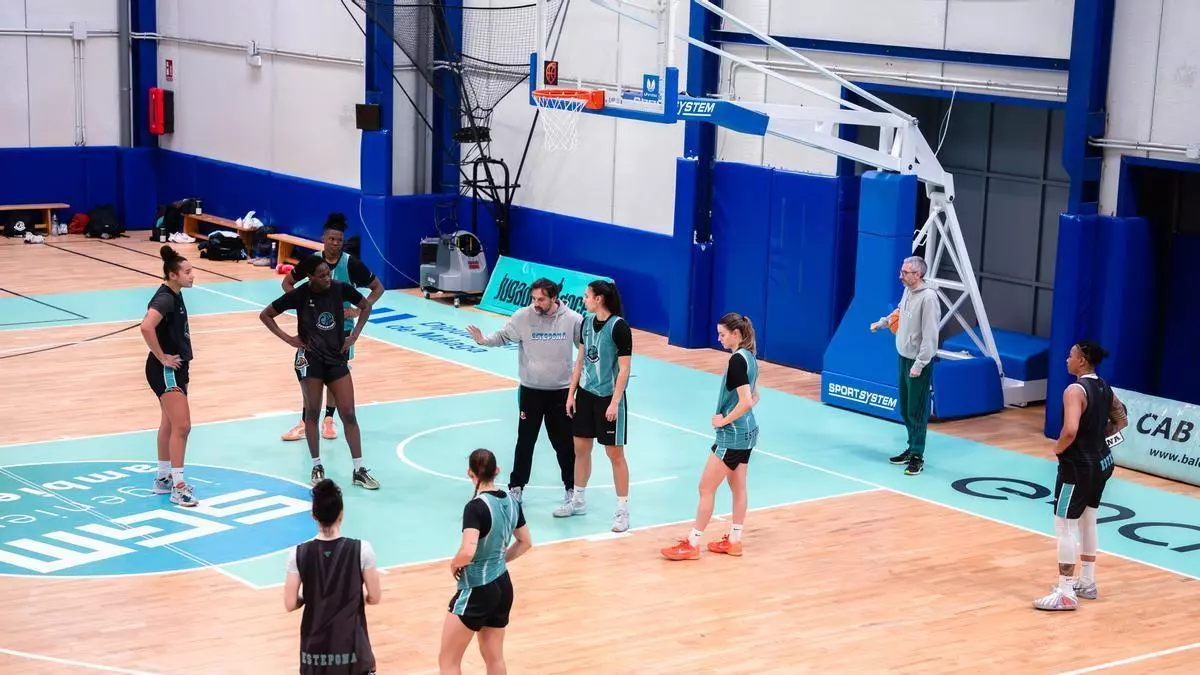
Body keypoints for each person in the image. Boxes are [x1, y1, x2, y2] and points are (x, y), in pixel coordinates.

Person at [260, 261, 380, 489]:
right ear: (310, 277)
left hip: (335, 358)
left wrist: (354, 335)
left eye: (328, 274)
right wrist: (288, 339)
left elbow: (365, 306)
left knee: (349, 413)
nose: (327, 278)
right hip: (310, 360)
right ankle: (316, 466)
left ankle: (359, 470)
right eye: (322, 275)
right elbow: (266, 315)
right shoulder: (299, 294)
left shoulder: (340, 288)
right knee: (313, 412)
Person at [466, 277, 582, 508]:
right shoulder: (522, 316)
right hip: (531, 391)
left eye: (541, 299)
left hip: (561, 393)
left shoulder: (573, 319)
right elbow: (503, 336)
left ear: (554, 298)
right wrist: (483, 340)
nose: (536, 303)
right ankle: (516, 487)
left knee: (564, 445)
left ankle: (571, 488)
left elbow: (585, 349)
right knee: (525, 442)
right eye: (533, 299)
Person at [1033, 340, 1128, 611]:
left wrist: (1057, 448)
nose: (1067, 359)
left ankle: (1065, 591)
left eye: (1071, 355)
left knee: (1064, 524)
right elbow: (1122, 419)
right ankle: (1087, 582)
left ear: (1082, 361)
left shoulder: (1074, 390)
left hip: (1077, 467)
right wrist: (1098, 437)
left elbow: (1070, 430)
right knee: (1089, 519)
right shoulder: (1104, 386)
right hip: (1102, 462)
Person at [662, 313, 761, 561]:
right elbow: (755, 396)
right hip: (748, 433)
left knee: (706, 487)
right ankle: (734, 542)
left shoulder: (736, 361)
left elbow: (747, 401)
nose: (719, 339)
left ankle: (693, 544)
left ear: (736, 334)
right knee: (738, 487)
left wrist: (723, 420)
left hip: (732, 436)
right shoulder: (750, 357)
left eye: (722, 334)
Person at [280, 213, 384, 443]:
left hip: (341, 330)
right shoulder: (312, 261)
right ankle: (305, 421)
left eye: (339, 240)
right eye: (331, 239)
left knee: (335, 374)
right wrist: (304, 304)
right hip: (314, 330)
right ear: (323, 239)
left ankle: (329, 419)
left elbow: (378, 288)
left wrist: (357, 311)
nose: (335, 243)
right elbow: (287, 283)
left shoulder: (351, 263)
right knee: (310, 374)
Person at [440, 449, 532, 675]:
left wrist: (454, 563)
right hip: (503, 585)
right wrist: (500, 559)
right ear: (497, 470)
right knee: (494, 658)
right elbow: (525, 542)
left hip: (477, 588)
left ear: (470, 473)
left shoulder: (475, 507)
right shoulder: (512, 501)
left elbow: (468, 551)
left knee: (448, 661)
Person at [555, 280, 633, 533]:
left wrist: (615, 403)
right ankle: (578, 500)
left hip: (608, 397)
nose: (584, 299)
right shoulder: (586, 323)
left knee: (614, 454)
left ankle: (622, 510)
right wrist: (571, 394)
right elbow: (579, 361)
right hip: (586, 395)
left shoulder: (619, 327)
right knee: (580, 448)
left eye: (587, 296)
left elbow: (624, 370)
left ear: (599, 298)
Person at [284, 478, 381, 674]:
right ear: (341, 514)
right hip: (353, 657)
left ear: (313, 515)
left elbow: (290, 603)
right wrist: (354, 596)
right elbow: (375, 597)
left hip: (313, 658)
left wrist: (310, 597)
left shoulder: (298, 553)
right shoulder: (362, 549)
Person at [870, 255, 941, 476]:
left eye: (905, 272)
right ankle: (911, 448)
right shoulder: (908, 291)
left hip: (918, 362)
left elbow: (930, 335)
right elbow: (899, 312)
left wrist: (920, 364)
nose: (900, 275)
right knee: (905, 408)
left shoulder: (929, 299)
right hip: (903, 356)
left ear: (917, 274)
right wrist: (883, 323)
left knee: (916, 410)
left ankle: (917, 455)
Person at [139, 245, 198, 507]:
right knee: (182, 426)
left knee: (170, 424)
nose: (192, 275)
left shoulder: (175, 293)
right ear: (173, 275)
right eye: (187, 272)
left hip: (175, 368)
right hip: (166, 370)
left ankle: (163, 478)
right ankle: (179, 486)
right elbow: (146, 326)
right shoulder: (165, 298)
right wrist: (163, 357)